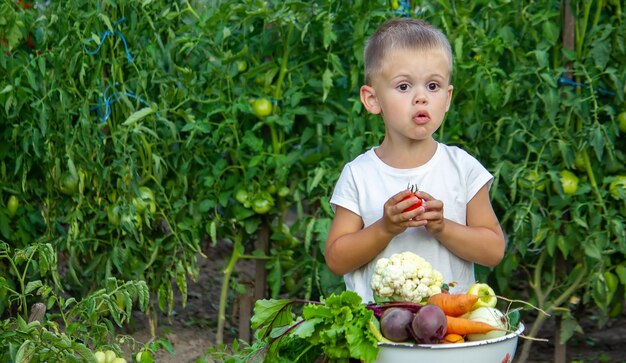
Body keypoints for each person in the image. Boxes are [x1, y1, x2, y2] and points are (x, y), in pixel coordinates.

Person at [324, 17, 505, 303]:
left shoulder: (463, 169)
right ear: (372, 100)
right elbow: (336, 260)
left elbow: (493, 250)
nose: (421, 97)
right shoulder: (359, 175)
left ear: (446, 99)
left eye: (433, 86)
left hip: (450, 332)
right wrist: (384, 228)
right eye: (404, 86)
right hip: (378, 335)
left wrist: (442, 227)